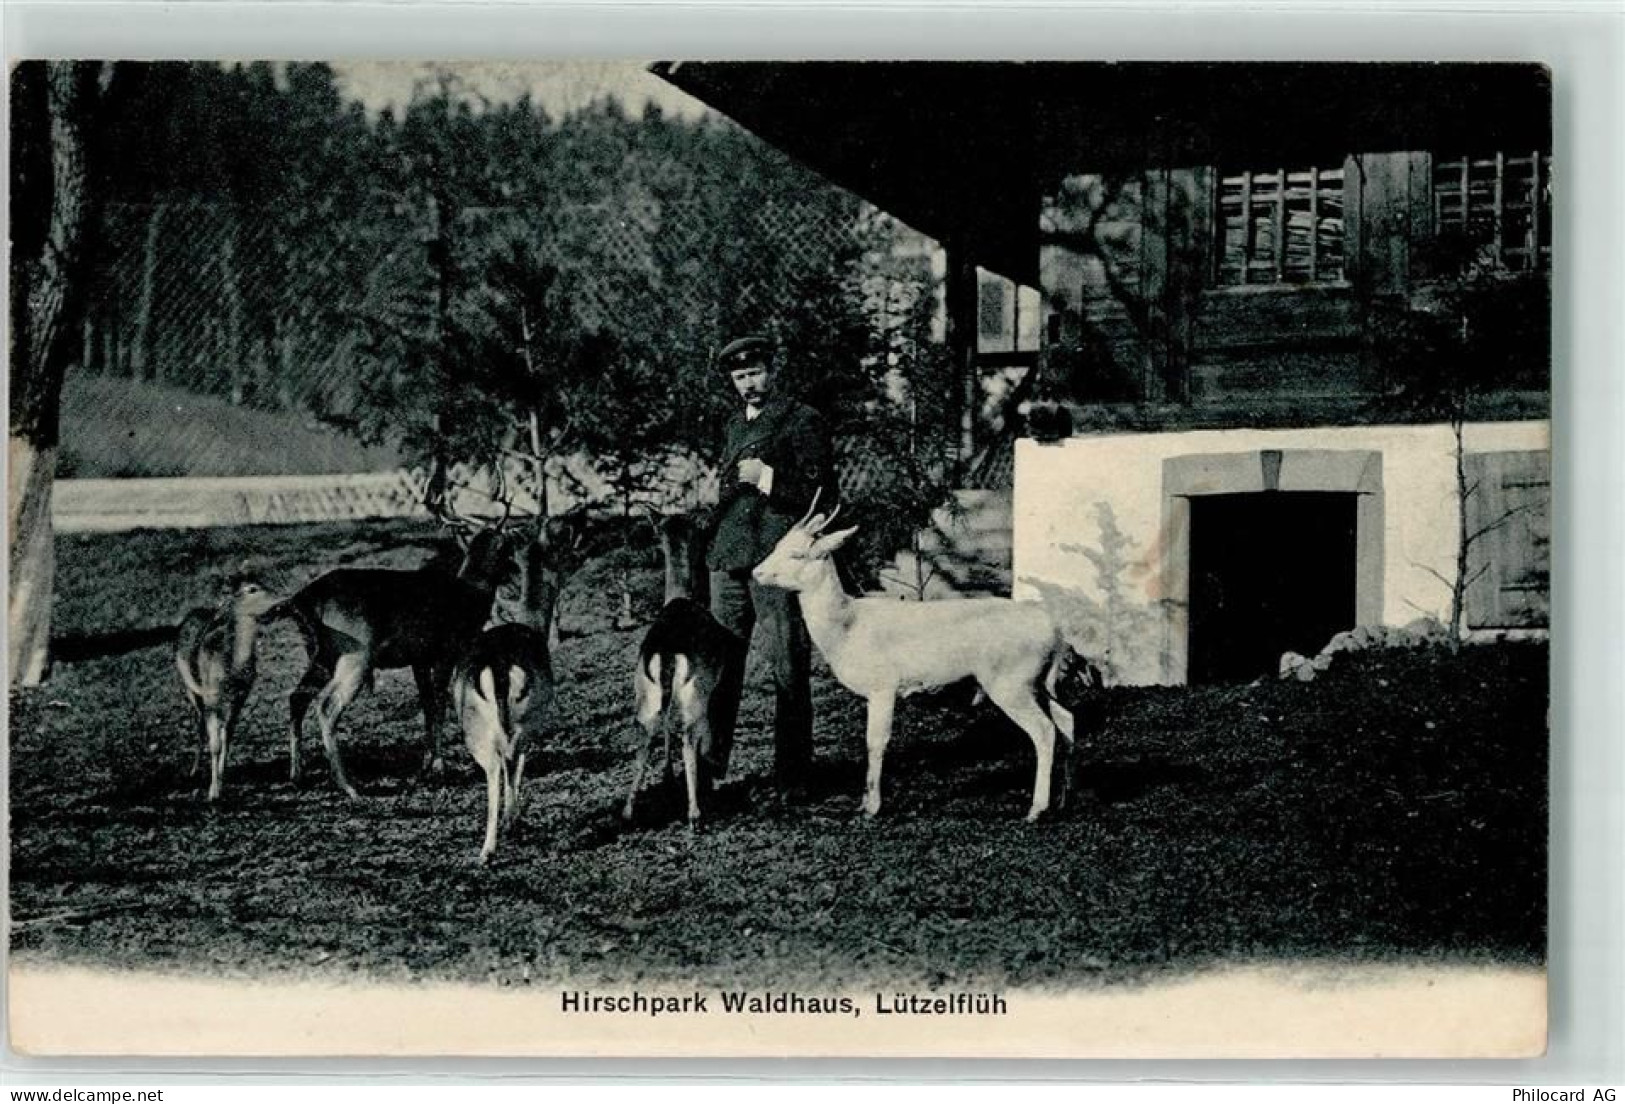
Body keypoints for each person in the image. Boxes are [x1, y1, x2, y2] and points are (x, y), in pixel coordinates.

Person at [701, 334, 835, 800]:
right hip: (729, 558)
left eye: (755, 373)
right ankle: (707, 772)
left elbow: (822, 494)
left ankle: (793, 776)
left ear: (773, 371)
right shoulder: (733, 425)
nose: (748, 384)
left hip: (776, 559)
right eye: (740, 377)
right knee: (719, 666)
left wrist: (768, 478)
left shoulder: (802, 420)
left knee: (788, 664)